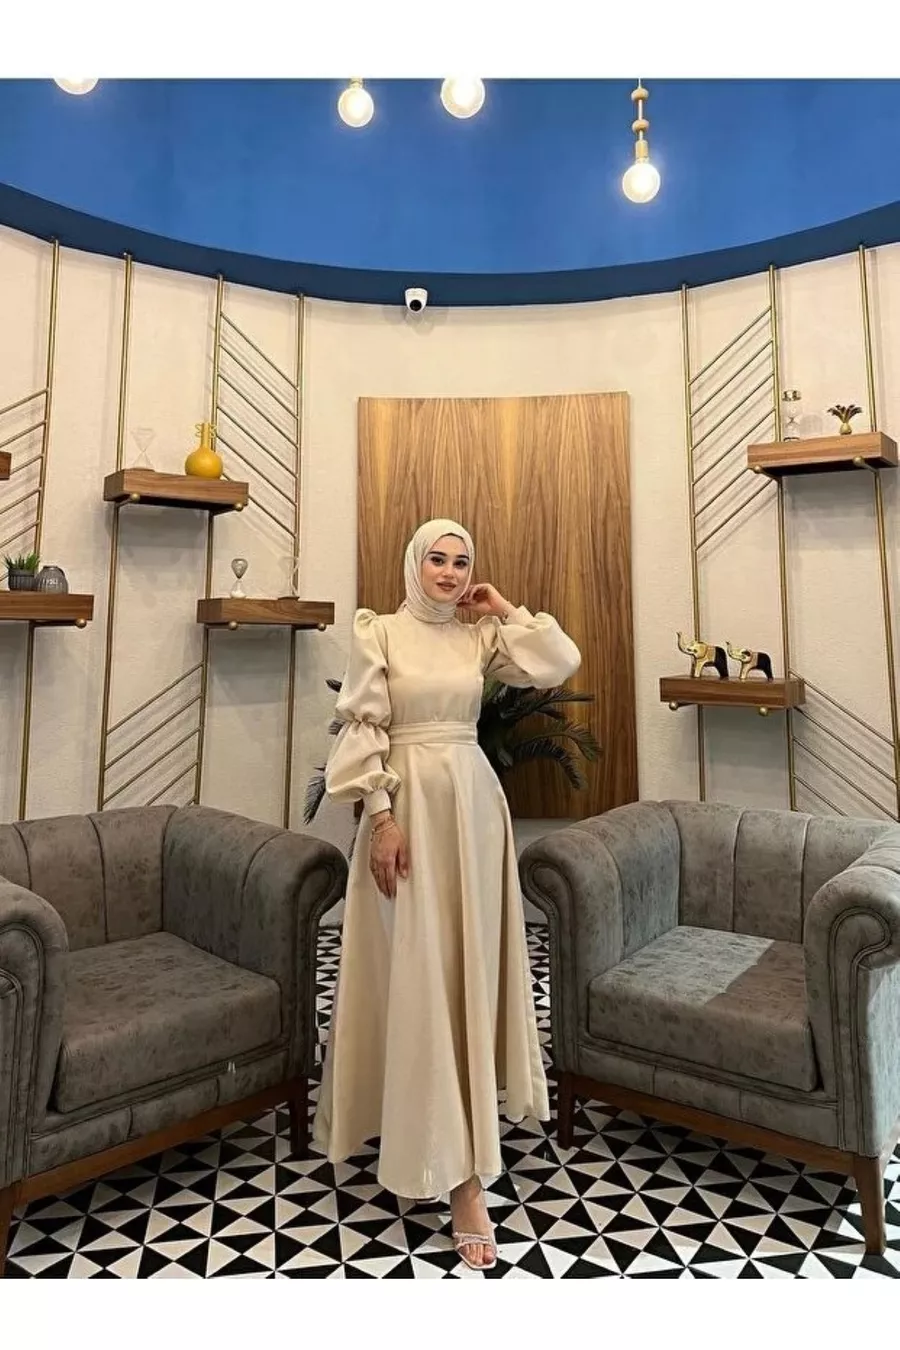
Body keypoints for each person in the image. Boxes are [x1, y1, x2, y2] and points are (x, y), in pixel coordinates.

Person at [313, 518, 581, 1271]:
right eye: (438, 558)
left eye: (462, 561)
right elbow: (362, 730)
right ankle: (425, 1141)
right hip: (408, 811)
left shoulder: (479, 635)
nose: (451, 572)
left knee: (463, 970)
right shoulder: (379, 632)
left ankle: (465, 1166)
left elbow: (560, 660)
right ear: (414, 562)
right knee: (413, 970)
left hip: (472, 811)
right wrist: (381, 818)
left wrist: (504, 608)